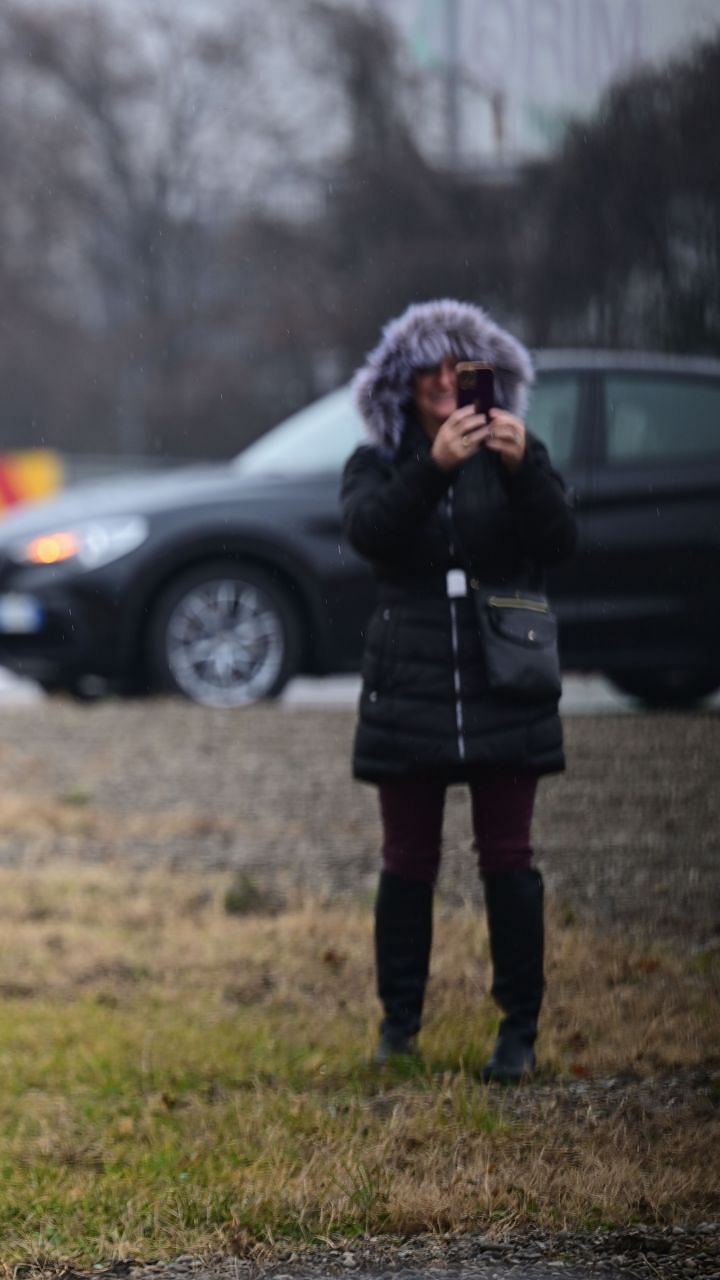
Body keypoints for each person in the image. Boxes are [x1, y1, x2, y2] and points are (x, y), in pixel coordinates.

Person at [340, 298, 577, 1083]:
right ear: (401, 385)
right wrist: (433, 464)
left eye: (463, 368)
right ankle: (397, 1028)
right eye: (431, 370)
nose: (447, 381)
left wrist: (523, 467)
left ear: (490, 379)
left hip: (504, 679)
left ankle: (519, 1031)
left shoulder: (517, 456)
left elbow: (559, 541)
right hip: (408, 683)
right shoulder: (378, 461)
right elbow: (370, 533)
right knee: (407, 860)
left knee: (508, 858)